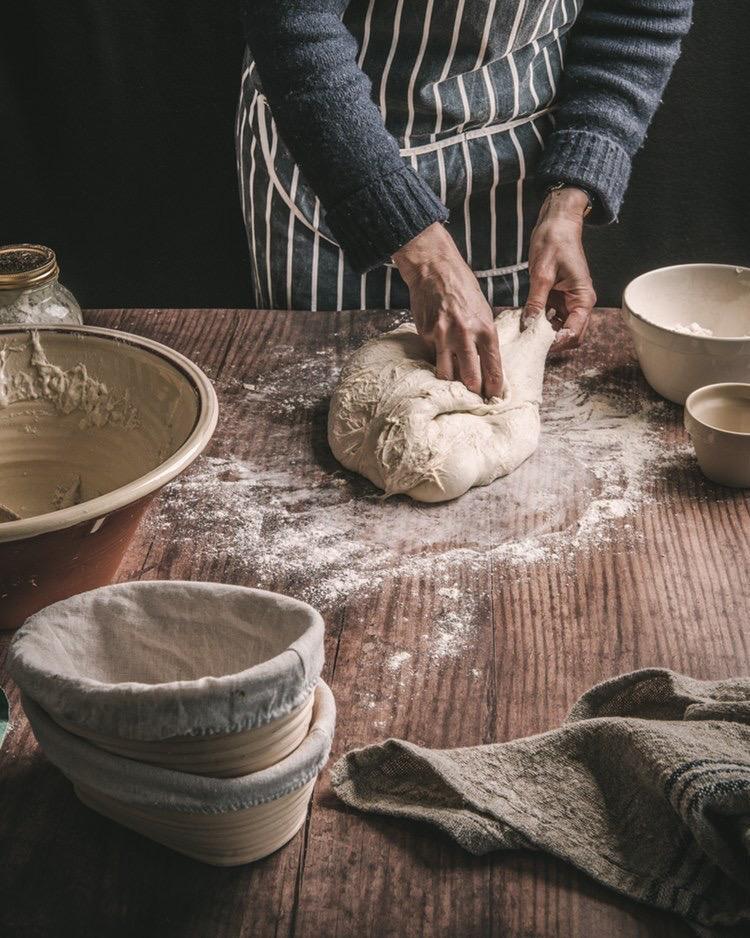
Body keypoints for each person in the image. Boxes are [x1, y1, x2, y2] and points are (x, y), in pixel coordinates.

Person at [237, 1, 693, 397]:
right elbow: (295, 27)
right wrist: (426, 258)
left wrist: (570, 196)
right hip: (331, 149)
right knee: (306, 383)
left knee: (492, 389)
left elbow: (640, 14)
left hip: (515, 169)